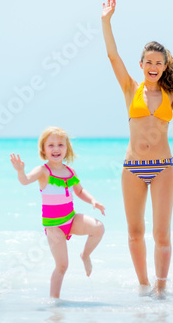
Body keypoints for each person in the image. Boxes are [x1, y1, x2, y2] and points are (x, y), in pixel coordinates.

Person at [101, 0, 173, 297]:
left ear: (165, 65)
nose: (154, 66)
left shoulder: (170, 92)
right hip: (132, 168)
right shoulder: (131, 88)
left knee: (161, 234)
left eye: (159, 62)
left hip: (163, 169)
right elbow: (112, 56)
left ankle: (161, 289)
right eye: (149, 62)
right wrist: (106, 20)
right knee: (134, 233)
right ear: (141, 65)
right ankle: (143, 287)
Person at [10, 126, 105, 299]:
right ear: (43, 150)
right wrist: (20, 171)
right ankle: (54, 301)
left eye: (60, 145)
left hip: (71, 219)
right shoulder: (43, 171)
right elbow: (25, 181)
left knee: (98, 228)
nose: (56, 148)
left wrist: (93, 200)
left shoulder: (70, 171)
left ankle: (85, 255)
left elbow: (79, 191)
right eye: (51, 145)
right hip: (54, 226)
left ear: (66, 148)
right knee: (62, 265)